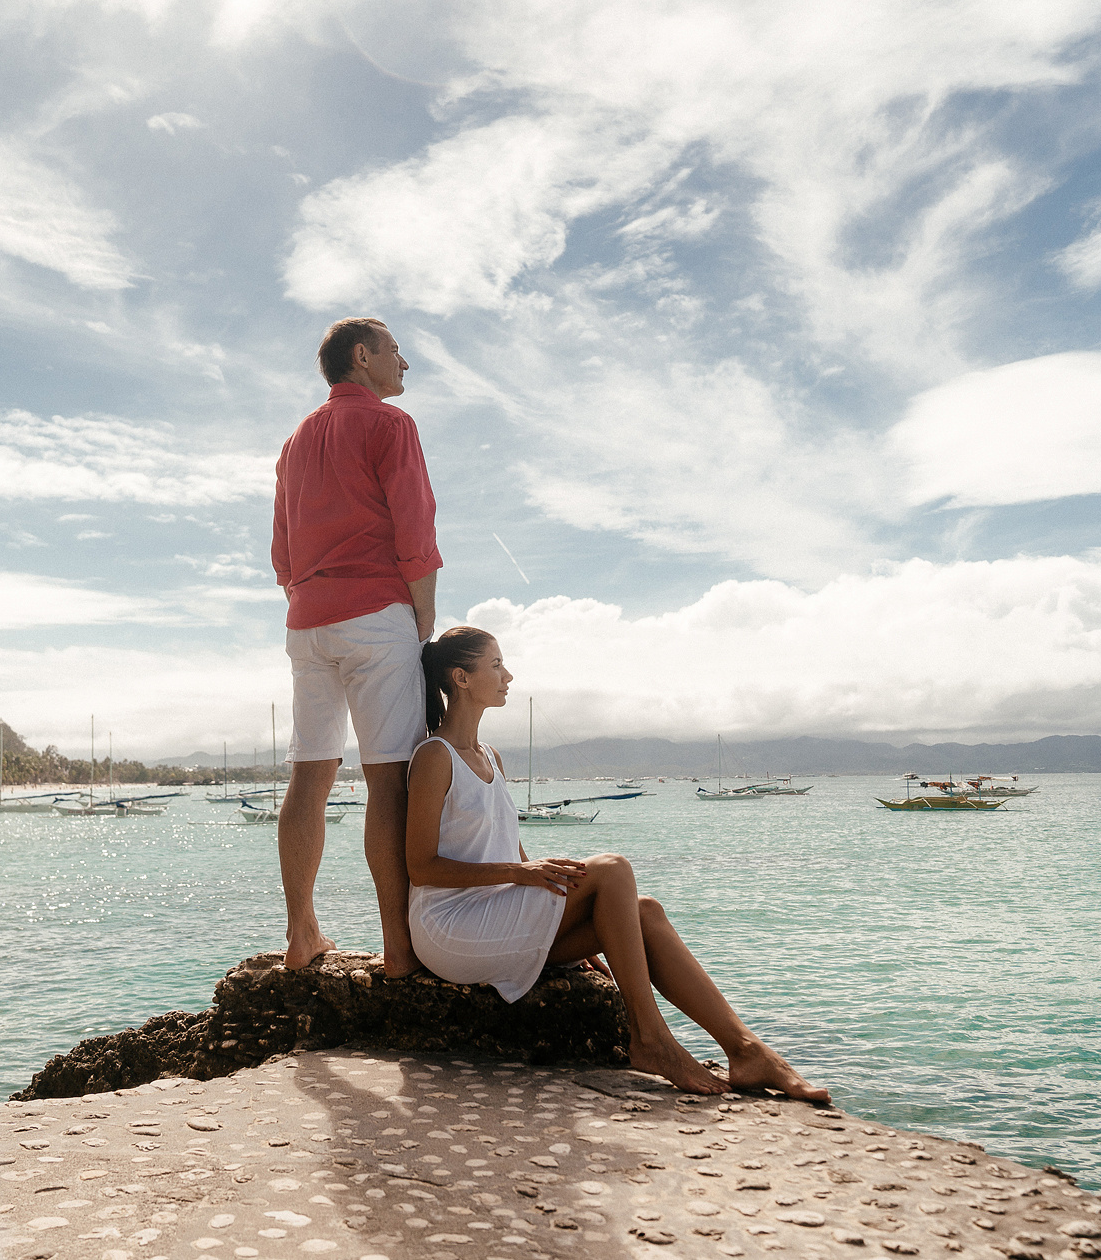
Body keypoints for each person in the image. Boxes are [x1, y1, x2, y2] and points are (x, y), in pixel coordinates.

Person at [404, 626, 829, 1098]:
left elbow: (509, 849)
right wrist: (521, 875)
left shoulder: (490, 756)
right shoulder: (434, 757)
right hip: (450, 928)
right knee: (612, 867)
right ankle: (650, 1040)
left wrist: (562, 917)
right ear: (461, 678)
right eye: (497, 665)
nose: (509, 674)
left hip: (501, 917)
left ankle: (747, 1051)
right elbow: (422, 868)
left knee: (643, 912)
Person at [271, 317, 441, 973]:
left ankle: (300, 934)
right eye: (397, 351)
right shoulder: (392, 426)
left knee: (309, 774)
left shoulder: (295, 441)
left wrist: (307, 596)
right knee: (387, 777)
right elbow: (415, 528)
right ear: (363, 356)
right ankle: (399, 950)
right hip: (376, 613)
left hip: (307, 619)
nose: (406, 363)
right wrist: (421, 614)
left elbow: (281, 549)